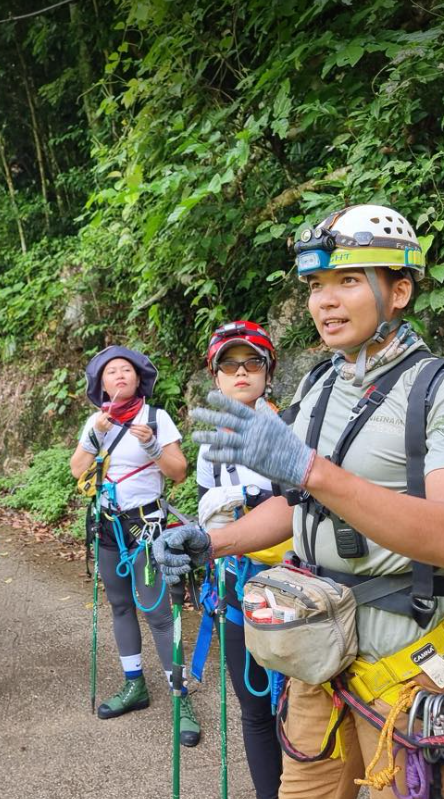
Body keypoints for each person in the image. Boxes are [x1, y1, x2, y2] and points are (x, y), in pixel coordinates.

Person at [156, 205, 444, 798]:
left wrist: (315, 471)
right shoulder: (320, 385)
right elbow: (299, 507)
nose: (325, 301)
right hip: (317, 645)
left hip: (409, 657)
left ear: (398, 290)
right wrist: (213, 541)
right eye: (317, 285)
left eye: (347, 280)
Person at [68, 346, 201, 745]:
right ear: (101, 384)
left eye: (126, 370)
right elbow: (77, 470)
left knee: (158, 610)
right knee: (120, 604)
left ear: (138, 379)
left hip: (147, 524)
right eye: (111, 372)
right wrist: (96, 434)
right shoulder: (97, 422)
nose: (120, 376)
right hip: (108, 525)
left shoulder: (157, 418)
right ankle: (134, 684)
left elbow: (178, 472)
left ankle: (181, 698)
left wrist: (153, 447)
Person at [194, 321, 283, 799]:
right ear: (216, 377)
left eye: (252, 362)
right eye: (229, 364)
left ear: (269, 372)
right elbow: (208, 510)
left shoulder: (294, 428)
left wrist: (248, 495)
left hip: (293, 582)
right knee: (253, 706)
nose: (241, 372)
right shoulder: (212, 442)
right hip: (233, 581)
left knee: (295, 705)